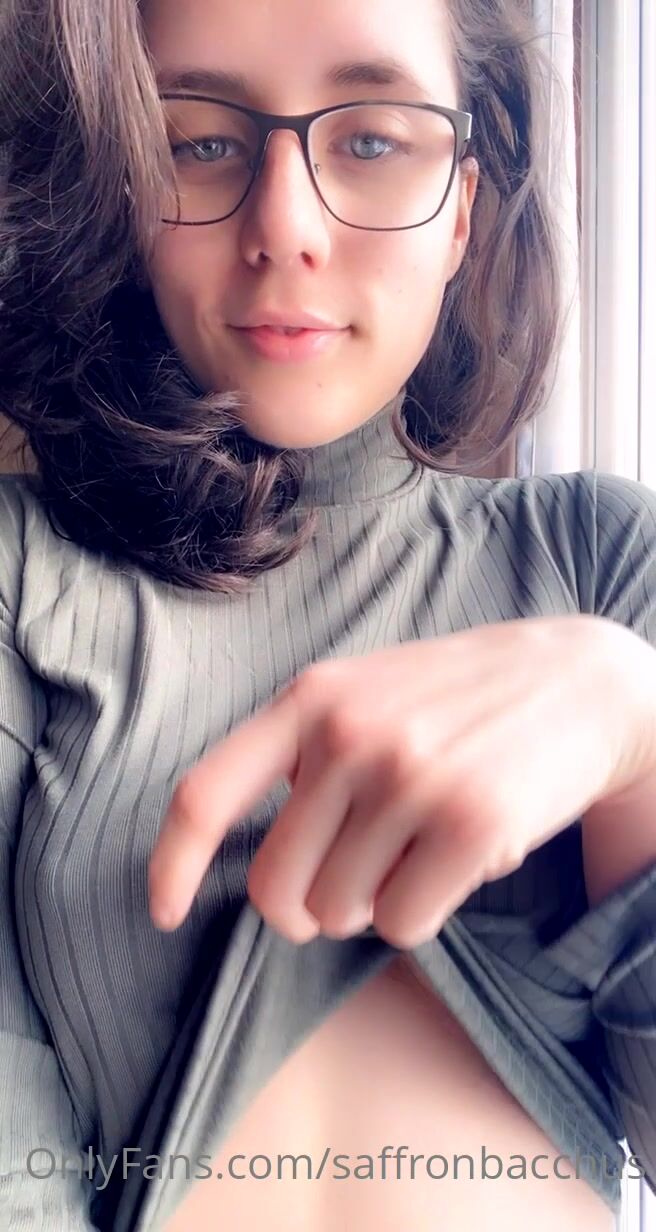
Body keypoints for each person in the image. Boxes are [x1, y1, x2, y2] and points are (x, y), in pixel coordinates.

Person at [0, 0, 655, 1228]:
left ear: (460, 210)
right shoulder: (16, 577)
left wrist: (636, 727)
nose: (284, 229)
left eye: (370, 140)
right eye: (198, 141)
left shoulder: (607, 559)